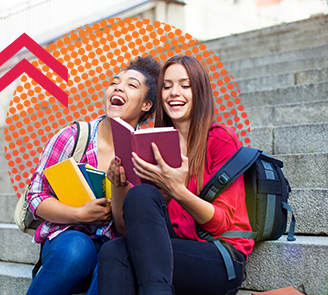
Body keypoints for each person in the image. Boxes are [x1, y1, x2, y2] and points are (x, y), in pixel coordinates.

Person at [99, 55, 254, 295]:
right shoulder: (151, 144)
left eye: (185, 85)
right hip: (170, 249)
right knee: (114, 248)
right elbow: (128, 230)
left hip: (219, 254)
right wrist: (119, 185)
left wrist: (176, 190)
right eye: (167, 86)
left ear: (199, 91)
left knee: (123, 253)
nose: (174, 93)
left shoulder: (219, 139)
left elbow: (222, 223)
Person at [26, 55, 162, 295]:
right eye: (114, 82)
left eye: (131, 85)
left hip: (113, 246)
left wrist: (120, 191)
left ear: (146, 105)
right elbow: (36, 195)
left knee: (116, 257)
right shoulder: (73, 136)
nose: (118, 86)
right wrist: (79, 214)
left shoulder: (146, 154)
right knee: (78, 249)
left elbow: (128, 227)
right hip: (68, 244)